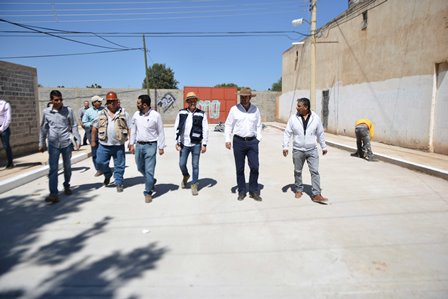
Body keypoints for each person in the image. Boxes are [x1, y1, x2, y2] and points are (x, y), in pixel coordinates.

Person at [282, 97, 328, 204]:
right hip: (298, 150)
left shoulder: (315, 118)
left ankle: (316, 194)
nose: (296, 107)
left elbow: (320, 133)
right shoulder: (293, 118)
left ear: (306, 107)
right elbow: (287, 132)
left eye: (299, 106)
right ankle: (298, 189)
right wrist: (285, 146)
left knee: (315, 171)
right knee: (297, 171)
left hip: (312, 150)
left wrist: (323, 146)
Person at [39, 90, 81, 203]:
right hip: (53, 145)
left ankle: (66, 185)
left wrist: (77, 139)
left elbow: (74, 125)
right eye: (56, 100)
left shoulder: (68, 110)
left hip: (66, 143)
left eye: (61, 99)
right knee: (53, 169)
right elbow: (43, 128)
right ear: (51, 100)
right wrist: (41, 143)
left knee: (67, 167)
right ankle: (53, 193)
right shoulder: (46, 112)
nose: (59, 102)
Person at [224, 87, 262, 201]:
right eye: (242, 97)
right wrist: (227, 139)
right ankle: (241, 191)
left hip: (252, 142)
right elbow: (228, 125)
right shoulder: (234, 109)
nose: (244, 99)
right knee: (240, 169)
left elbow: (259, 124)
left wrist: (258, 138)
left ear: (250, 97)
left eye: (246, 97)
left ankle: (253, 191)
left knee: (255, 167)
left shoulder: (255, 109)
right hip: (238, 142)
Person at [129, 95, 165, 203]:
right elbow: (133, 129)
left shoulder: (156, 115)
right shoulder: (136, 114)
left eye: (139, 103)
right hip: (139, 145)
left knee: (149, 170)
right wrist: (131, 143)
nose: (137, 104)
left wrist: (161, 146)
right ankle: (151, 180)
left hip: (151, 146)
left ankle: (148, 192)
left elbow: (160, 131)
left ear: (145, 104)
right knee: (140, 167)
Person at [91, 91, 130, 193]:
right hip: (104, 145)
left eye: (113, 101)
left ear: (117, 101)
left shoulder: (124, 113)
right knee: (99, 162)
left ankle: (119, 182)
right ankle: (107, 174)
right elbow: (94, 128)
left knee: (119, 165)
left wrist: (131, 142)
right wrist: (93, 141)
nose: (111, 103)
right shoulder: (101, 113)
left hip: (118, 145)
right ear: (107, 103)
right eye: (109, 101)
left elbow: (130, 127)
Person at [174, 91, 209, 196]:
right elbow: (177, 127)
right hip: (184, 144)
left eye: (194, 100)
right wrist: (177, 141)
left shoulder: (202, 114)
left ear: (196, 101)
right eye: (190, 100)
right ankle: (186, 176)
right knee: (182, 164)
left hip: (196, 144)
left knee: (195, 165)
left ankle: (194, 185)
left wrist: (204, 144)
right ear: (187, 102)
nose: (193, 102)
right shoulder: (181, 112)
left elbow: (205, 129)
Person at [82, 95, 104, 176]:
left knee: (104, 151)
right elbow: (84, 122)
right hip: (93, 133)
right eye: (98, 101)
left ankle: (104, 167)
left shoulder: (104, 109)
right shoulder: (88, 112)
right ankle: (98, 169)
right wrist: (92, 124)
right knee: (95, 152)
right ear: (94, 103)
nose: (100, 102)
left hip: (103, 133)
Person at [0, 98, 14, 168]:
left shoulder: (5, 104)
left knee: (6, 146)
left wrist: (1, 128)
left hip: (4, 128)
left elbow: (8, 118)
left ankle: (10, 162)